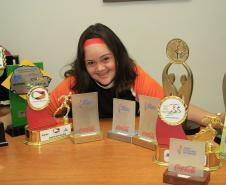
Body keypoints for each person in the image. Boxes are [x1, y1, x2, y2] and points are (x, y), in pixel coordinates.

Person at [47, 23, 224, 127]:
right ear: (83, 65)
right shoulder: (75, 82)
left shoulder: (134, 76)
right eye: (91, 63)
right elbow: (43, 112)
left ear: (117, 55)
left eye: (106, 59)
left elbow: (171, 106)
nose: (100, 68)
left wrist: (216, 120)